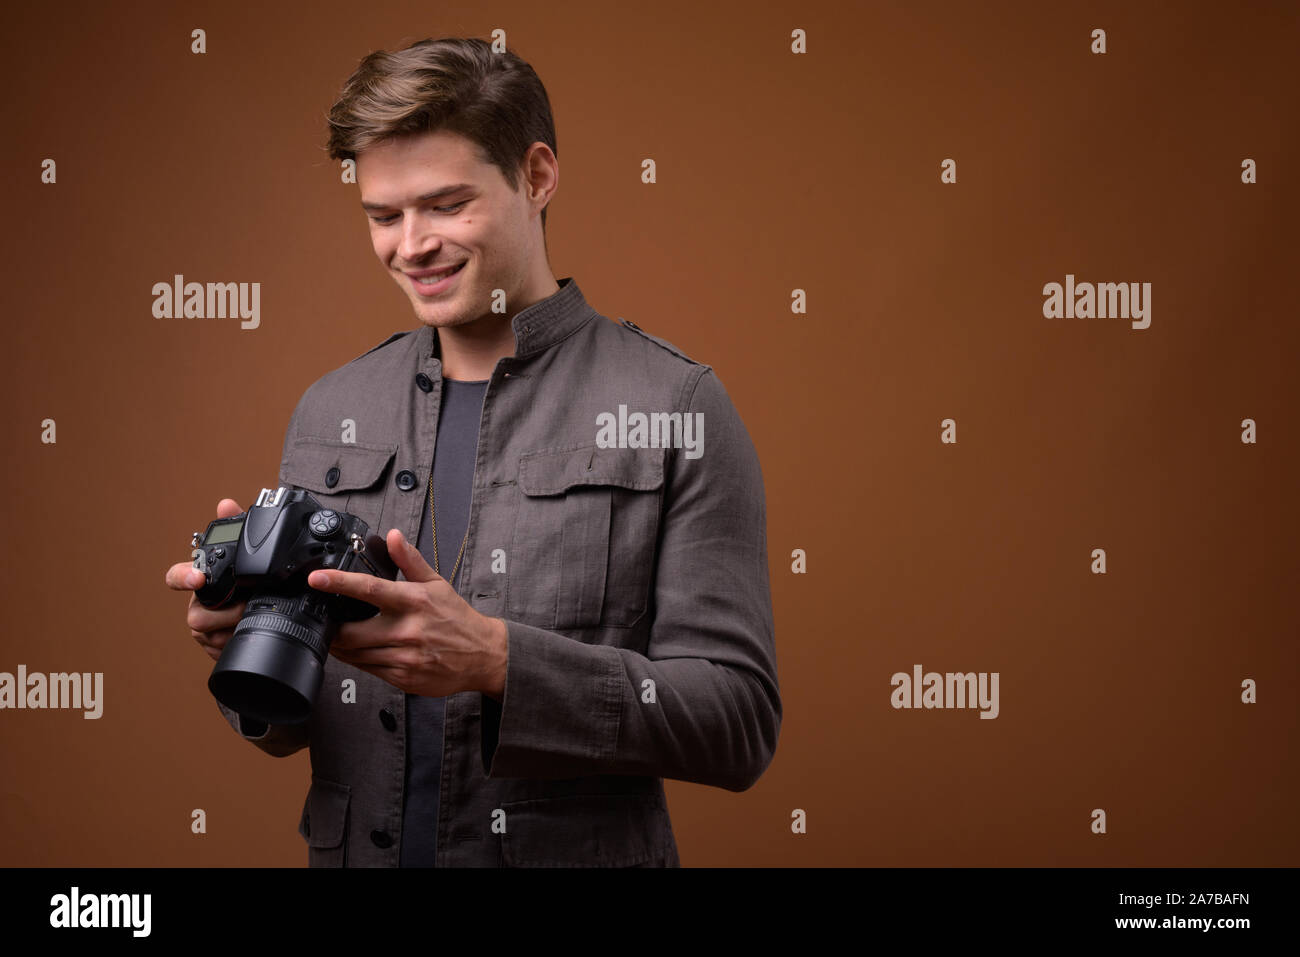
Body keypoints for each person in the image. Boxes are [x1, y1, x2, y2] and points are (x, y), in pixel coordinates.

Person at [164, 36, 779, 867]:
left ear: (536, 176)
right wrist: (245, 644)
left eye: (446, 205)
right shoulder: (331, 407)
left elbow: (737, 722)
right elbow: (296, 733)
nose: (409, 245)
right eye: (383, 216)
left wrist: (500, 662)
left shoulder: (676, 406)